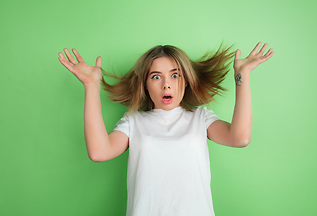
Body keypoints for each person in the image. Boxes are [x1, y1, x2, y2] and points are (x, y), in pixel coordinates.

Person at [58, 42, 274, 216]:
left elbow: (240, 138)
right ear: (145, 84)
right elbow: (99, 152)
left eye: (175, 75)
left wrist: (242, 76)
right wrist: (91, 85)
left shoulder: (200, 117)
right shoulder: (133, 122)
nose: (166, 84)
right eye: (156, 76)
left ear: (186, 81)